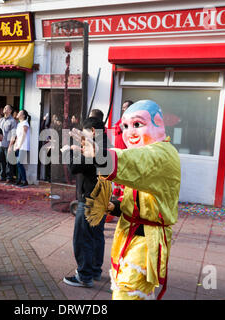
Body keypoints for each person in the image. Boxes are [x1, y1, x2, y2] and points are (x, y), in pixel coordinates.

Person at [75, 100, 181, 300]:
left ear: (157, 123)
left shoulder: (163, 154)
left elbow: (131, 161)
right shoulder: (144, 153)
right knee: (126, 289)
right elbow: (136, 195)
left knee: (127, 293)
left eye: (137, 125)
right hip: (130, 234)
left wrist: (99, 155)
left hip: (146, 239)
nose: (130, 132)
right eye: (125, 126)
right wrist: (113, 206)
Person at [61, 117, 109, 288]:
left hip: (89, 199)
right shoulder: (103, 145)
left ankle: (84, 275)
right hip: (101, 198)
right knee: (96, 236)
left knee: (83, 238)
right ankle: (94, 270)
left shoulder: (95, 149)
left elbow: (75, 167)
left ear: (93, 132)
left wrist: (67, 151)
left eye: (85, 131)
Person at [0, 104, 17, 184]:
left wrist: (11, 146)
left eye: (6, 108)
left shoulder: (13, 121)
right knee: (1, 161)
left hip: (8, 145)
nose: (4, 108)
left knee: (8, 162)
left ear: (10, 111)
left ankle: (9, 178)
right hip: (0, 144)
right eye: (4, 107)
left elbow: (13, 135)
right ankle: (2, 177)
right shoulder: (1, 120)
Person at [13, 109, 30, 187]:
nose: (18, 113)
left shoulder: (25, 123)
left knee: (20, 163)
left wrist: (19, 145)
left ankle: (24, 180)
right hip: (18, 146)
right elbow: (18, 136)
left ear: (23, 116)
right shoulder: (19, 124)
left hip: (23, 146)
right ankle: (19, 179)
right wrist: (15, 145)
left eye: (19, 113)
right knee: (18, 164)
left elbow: (23, 135)